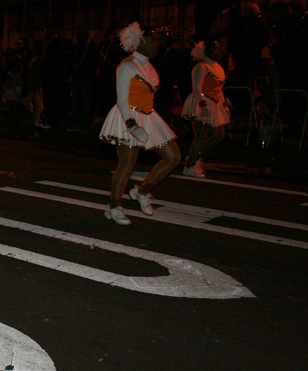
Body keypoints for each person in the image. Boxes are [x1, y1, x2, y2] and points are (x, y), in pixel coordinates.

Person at [99, 22, 181, 225]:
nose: (157, 44)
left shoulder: (150, 65)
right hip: (128, 116)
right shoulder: (127, 65)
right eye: (153, 40)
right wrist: (131, 125)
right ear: (140, 41)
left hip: (149, 115)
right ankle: (114, 206)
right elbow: (121, 99)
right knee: (127, 165)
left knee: (174, 157)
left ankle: (142, 191)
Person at [180, 40, 231, 178]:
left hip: (214, 103)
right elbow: (197, 88)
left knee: (219, 135)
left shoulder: (218, 67)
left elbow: (219, 89)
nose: (218, 51)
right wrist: (203, 104)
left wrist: (223, 103)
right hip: (200, 102)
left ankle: (194, 157)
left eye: (218, 49)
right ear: (205, 51)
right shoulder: (201, 67)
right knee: (201, 136)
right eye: (215, 49)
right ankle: (189, 166)